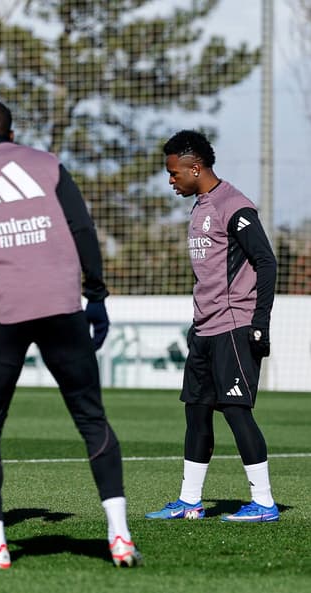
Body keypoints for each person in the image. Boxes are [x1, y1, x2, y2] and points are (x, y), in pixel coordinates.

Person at [0, 100, 140, 569]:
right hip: (61, 307)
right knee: (91, 418)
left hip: (2, 313)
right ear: (10, 131)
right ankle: (120, 536)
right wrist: (97, 295)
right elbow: (82, 227)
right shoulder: (46, 164)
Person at [145, 130, 278, 523]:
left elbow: (266, 262)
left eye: (174, 173)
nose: (171, 180)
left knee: (236, 411)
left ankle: (265, 503)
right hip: (203, 329)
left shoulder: (234, 206)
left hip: (234, 326)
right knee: (196, 412)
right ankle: (190, 501)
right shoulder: (201, 205)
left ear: (195, 167)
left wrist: (260, 324)